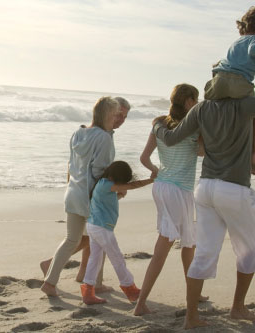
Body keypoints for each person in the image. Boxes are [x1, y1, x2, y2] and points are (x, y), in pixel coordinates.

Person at [154, 44, 255, 329]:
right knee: (249, 250)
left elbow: (169, 138)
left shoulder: (203, 108)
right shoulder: (245, 106)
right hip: (234, 190)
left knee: (204, 253)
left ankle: (192, 317)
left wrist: (157, 127)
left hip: (205, 189)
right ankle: (238, 308)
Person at [133, 84, 207, 316]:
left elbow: (144, 158)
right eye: (196, 100)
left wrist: (157, 170)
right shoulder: (192, 126)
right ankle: (141, 303)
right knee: (163, 247)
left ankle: (194, 293)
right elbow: (202, 153)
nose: (197, 103)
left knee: (188, 243)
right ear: (188, 102)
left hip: (162, 186)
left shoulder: (159, 123)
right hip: (178, 190)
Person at [40, 97, 131, 285]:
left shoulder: (77, 133)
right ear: (108, 114)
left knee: (71, 240)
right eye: (116, 114)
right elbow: (100, 172)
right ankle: (96, 284)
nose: (119, 118)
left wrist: (71, 186)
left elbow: (71, 165)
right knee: (99, 239)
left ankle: (50, 282)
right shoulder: (104, 138)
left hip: (73, 193)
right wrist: (115, 190)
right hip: (91, 197)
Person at [204, 6, 255, 175]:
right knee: (254, 118)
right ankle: (253, 154)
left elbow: (225, 62)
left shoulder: (237, 41)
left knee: (214, 110)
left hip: (219, 80)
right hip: (240, 83)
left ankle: (208, 144)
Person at [81, 161, 152, 305]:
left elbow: (107, 201)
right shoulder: (107, 185)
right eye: (122, 181)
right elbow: (133, 185)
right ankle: (130, 288)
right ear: (116, 177)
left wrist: (119, 195)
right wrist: (152, 179)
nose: (123, 184)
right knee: (117, 258)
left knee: (95, 259)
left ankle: (88, 291)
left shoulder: (102, 184)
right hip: (102, 228)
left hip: (93, 226)